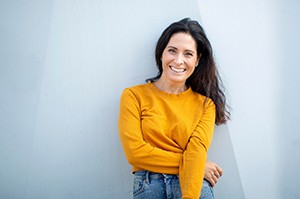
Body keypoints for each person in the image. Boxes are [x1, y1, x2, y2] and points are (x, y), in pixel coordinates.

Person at [118, 17, 229, 199]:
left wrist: (195, 166)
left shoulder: (205, 105)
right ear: (161, 53)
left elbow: (197, 151)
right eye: (172, 51)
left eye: (188, 54)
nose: (178, 60)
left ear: (197, 60)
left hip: (193, 185)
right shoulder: (133, 96)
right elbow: (135, 153)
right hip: (149, 184)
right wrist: (198, 165)